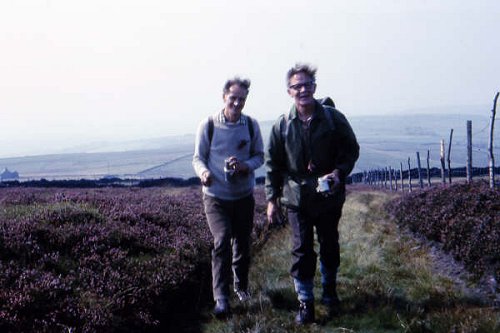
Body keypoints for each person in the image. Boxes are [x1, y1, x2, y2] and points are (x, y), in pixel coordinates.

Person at [265, 64, 359, 324]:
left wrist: (339, 173)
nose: (302, 90)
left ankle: (329, 291)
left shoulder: (333, 118)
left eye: (307, 85)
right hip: (296, 198)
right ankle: (305, 303)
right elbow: (272, 164)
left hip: (328, 196)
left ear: (315, 88)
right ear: (289, 91)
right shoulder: (282, 125)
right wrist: (272, 200)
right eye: (297, 86)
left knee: (329, 244)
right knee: (301, 249)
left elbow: (351, 149)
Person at [192, 77, 264, 318]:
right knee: (222, 240)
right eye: (233, 97)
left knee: (242, 242)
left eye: (241, 99)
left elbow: (259, 157)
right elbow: (197, 158)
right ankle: (221, 298)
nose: (237, 102)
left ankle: (241, 287)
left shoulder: (251, 125)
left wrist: (245, 166)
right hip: (215, 197)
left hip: (243, 196)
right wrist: (203, 173)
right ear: (224, 96)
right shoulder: (208, 125)